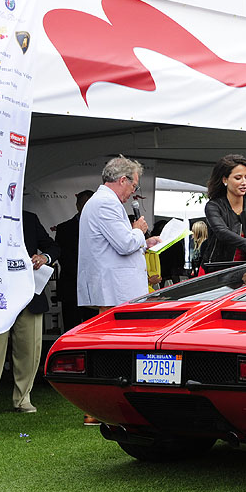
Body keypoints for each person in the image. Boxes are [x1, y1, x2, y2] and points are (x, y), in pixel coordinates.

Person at [78, 157, 161, 425]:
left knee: (114, 350)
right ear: (122, 180)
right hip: (113, 290)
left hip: (115, 288)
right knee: (109, 350)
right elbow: (125, 244)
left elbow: (119, 245)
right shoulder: (105, 203)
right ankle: (98, 408)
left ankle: (105, 406)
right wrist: (137, 232)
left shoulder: (105, 202)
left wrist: (143, 241)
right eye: (133, 186)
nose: (133, 194)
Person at [0, 210, 60, 413]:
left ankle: (23, 398)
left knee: (29, 350)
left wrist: (45, 257)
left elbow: (53, 247)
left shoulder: (29, 218)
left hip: (28, 295)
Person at [53, 189, 95, 332]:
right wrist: (84, 275)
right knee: (72, 329)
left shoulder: (102, 227)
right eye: (84, 204)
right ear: (77, 205)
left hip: (95, 291)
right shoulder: (64, 228)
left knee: (94, 330)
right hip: (72, 288)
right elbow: (64, 257)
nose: (87, 208)